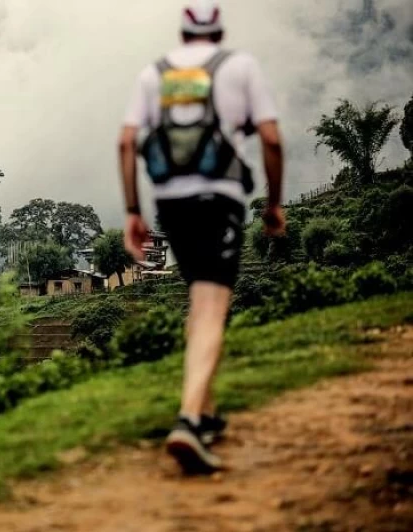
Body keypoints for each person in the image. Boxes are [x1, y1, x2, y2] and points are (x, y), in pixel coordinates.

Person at [118, 0, 286, 474]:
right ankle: (189, 421)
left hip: (170, 202)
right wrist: (274, 204)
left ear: (183, 32)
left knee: (199, 301)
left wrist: (133, 209)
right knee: (213, 306)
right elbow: (271, 140)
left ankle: (206, 413)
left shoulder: (154, 75)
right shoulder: (240, 67)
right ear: (219, 30)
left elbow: (126, 142)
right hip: (220, 200)